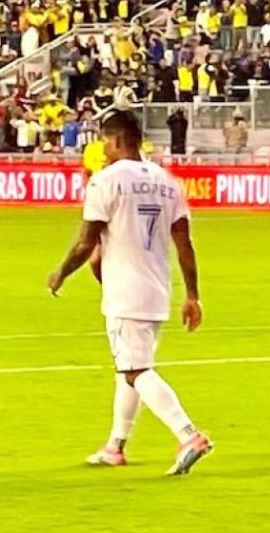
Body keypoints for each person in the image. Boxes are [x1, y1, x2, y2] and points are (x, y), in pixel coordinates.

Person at [46, 110, 213, 476]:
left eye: (105, 140)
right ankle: (115, 446)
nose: (103, 148)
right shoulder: (167, 181)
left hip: (125, 289)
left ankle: (188, 434)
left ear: (118, 139)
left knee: (136, 369)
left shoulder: (105, 181)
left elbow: (86, 242)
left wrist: (61, 273)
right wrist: (192, 295)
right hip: (157, 288)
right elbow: (184, 243)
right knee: (130, 367)